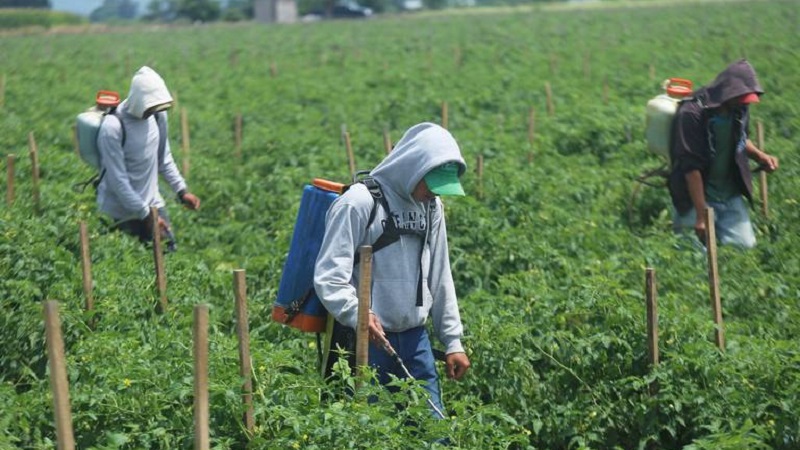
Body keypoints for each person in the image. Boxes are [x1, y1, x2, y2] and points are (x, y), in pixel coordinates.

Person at [314, 122, 471, 417]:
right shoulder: (359, 203)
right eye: (431, 185)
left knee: (432, 432)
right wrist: (357, 313)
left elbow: (440, 275)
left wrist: (453, 341)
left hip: (415, 340)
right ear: (414, 168)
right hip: (363, 339)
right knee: (363, 432)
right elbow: (329, 277)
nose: (434, 194)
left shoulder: (432, 208)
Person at [668, 59, 778, 249]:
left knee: (744, 247)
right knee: (692, 253)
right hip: (696, 194)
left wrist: (760, 156)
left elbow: (741, 139)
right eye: (741, 99)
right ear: (729, 92)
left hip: (728, 193)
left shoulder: (739, 108)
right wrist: (702, 216)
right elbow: (691, 167)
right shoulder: (692, 112)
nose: (744, 104)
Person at [96, 66, 200, 251]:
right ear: (138, 100)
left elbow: (163, 158)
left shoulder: (158, 115)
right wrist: (148, 216)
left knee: (168, 258)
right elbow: (118, 181)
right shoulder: (113, 127)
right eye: (149, 108)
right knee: (125, 268)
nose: (152, 112)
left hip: (152, 205)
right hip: (119, 213)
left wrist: (182, 191)